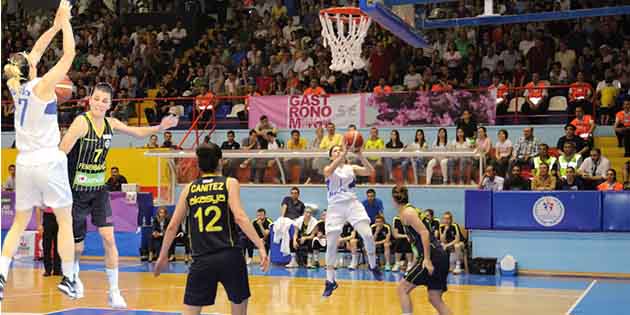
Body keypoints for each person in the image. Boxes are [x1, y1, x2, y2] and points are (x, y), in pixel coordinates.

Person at [59, 82, 179, 307]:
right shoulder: (80, 123)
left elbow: (138, 132)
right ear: (90, 99)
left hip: (98, 190)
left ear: (109, 104)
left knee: (109, 238)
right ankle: (73, 274)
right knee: (77, 246)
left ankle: (114, 291)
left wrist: (159, 128)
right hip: (76, 191)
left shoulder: (110, 123)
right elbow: (61, 152)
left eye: (104, 100)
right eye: (96, 98)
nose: (99, 103)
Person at [0, 0, 77, 300]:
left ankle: (1, 273)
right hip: (48, 159)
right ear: (29, 68)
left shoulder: (15, 85)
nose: (33, 57)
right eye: (29, 58)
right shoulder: (43, 86)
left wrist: (55, 25)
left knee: (20, 222)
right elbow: (69, 54)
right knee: (65, 219)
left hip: (25, 162)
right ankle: (70, 278)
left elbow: (36, 52)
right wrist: (67, 22)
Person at [153, 143, 270, 315]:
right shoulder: (229, 183)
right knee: (238, 307)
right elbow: (240, 217)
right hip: (230, 256)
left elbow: (172, 227)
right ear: (220, 162)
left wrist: (162, 256)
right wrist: (260, 246)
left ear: (199, 165)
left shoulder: (189, 188)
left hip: (201, 259)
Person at [322, 144, 383, 297]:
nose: (338, 152)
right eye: (335, 151)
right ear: (331, 156)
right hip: (335, 208)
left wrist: (361, 155)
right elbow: (329, 171)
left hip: (352, 204)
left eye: (339, 150)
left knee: (368, 235)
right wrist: (342, 156)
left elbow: (370, 171)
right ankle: (330, 281)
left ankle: (373, 265)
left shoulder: (351, 167)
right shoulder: (328, 168)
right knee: (331, 245)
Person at [392, 186, 451, 315]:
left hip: (433, 256)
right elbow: (417, 241)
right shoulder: (410, 210)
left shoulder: (408, 213)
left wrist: (427, 259)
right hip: (439, 255)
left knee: (402, 289)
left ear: (393, 200)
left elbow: (424, 233)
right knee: (434, 298)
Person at [36, 207, 61, 276]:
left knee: (58, 245)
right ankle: (47, 270)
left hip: (60, 216)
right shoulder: (44, 196)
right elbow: (38, 208)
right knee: (46, 245)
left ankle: (57, 270)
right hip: (48, 217)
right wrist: (39, 225)